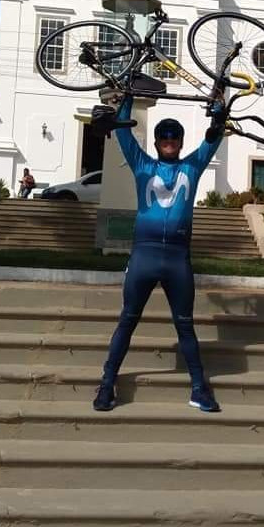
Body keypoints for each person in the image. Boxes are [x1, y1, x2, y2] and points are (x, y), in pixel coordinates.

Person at [91, 94, 227, 414]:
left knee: (185, 324)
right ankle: (107, 383)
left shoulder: (192, 167)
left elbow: (214, 138)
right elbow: (123, 134)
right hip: (144, 256)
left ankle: (198, 388)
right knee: (127, 320)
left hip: (178, 258)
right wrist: (125, 99)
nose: (168, 140)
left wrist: (219, 113)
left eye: (174, 136)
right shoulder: (143, 165)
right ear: (156, 142)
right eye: (163, 136)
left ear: (180, 142)